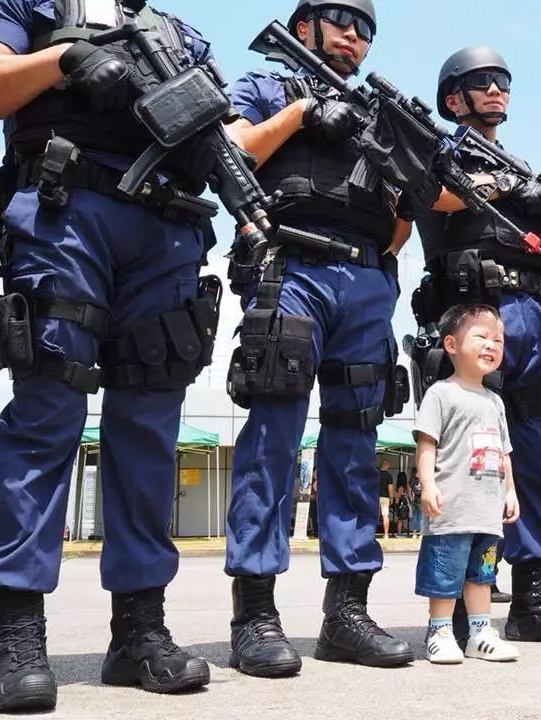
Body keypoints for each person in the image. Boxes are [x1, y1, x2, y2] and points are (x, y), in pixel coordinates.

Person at [0, 0, 230, 711]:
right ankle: (16, 632)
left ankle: (138, 630)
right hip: (65, 207)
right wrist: (64, 59)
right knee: (48, 411)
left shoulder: (180, 31)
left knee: (149, 429)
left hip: (168, 226)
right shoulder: (30, 4)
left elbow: (225, 132)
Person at [223, 0, 415, 675]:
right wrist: (301, 117)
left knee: (356, 445)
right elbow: (231, 150)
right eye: (342, 20)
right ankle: (255, 614)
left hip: (365, 279)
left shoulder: (378, 117)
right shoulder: (267, 84)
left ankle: (347, 614)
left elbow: (397, 224)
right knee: (273, 437)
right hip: (291, 266)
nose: (355, 36)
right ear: (303, 25)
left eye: (367, 30)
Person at [414, 47, 541, 645]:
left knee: (537, 459)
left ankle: (533, 599)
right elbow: (418, 195)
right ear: (453, 98)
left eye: (504, 83)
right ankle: (461, 610)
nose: (497, 91)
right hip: (474, 312)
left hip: (534, 315)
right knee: (469, 466)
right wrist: (495, 182)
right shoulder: (438, 149)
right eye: (481, 83)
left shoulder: (527, 169)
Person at [414, 304, 520, 664]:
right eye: (481, 336)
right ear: (451, 345)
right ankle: (440, 630)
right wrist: (428, 484)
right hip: (452, 509)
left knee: (481, 576)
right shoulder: (441, 394)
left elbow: (504, 452)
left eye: (498, 340)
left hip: (487, 512)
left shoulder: (495, 401)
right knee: (445, 573)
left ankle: (479, 632)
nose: (492, 345)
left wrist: (510, 491)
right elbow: (426, 443)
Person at [378, 458, 394, 539]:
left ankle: (371, 534)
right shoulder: (388, 475)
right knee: (385, 515)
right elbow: (390, 488)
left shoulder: (375, 474)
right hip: (385, 498)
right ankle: (386, 534)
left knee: (374, 516)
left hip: (375, 497)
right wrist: (391, 498)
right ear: (386, 465)